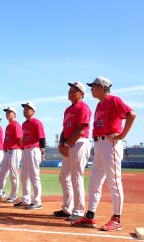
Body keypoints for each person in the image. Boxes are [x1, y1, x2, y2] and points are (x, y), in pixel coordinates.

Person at [72, 77, 136, 231]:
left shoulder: (113, 100)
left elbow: (131, 114)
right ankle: (90, 217)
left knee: (114, 182)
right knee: (94, 182)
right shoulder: (100, 104)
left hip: (110, 143)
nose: (91, 89)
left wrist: (121, 136)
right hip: (99, 144)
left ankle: (117, 219)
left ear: (101, 87)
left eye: (93, 87)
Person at [54, 82, 91, 221]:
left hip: (80, 143)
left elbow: (81, 128)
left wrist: (67, 143)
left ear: (81, 94)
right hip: (70, 144)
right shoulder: (68, 110)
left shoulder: (84, 107)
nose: (70, 91)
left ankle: (79, 211)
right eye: (69, 89)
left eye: (74, 90)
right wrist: (62, 143)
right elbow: (65, 129)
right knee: (64, 177)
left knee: (76, 178)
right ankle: (67, 208)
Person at [14, 102, 46, 210]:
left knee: (34, 177)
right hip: (25, 151)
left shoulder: (37, 123)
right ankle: (26, 200)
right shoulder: (24, 124)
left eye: (28, 108)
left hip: (34, 150)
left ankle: (37, 202)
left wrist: (42, 152)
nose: (25, 110)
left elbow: (42, 138)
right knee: (24, 177)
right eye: (24, 108)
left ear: (33, 111)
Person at [0, 106, 22, 202]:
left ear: (14, 114)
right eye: (7, 112)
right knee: (2, 174)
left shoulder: (16, 125)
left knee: (13, 175)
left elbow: (20, 139)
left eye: (10, 112)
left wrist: (19, 150)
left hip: (14, 151)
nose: (7, 113)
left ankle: (13, 196)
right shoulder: (8, 126)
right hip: (6, 152)